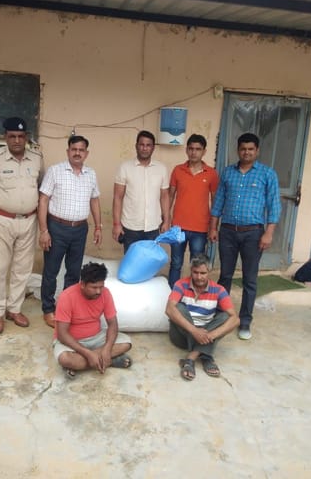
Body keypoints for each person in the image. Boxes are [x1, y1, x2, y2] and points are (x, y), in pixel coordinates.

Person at [0, 117, 43, 335]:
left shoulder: (37, 158)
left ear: (26, 137)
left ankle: (14, 309)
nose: (17, 140)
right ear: (5, 137)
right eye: (12, 136)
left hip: (29, 221)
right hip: (2, 221)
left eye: (21, 136)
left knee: (22, 269)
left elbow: (41, 190)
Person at [209, 132, 281, 340]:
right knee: (225, 276)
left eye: (250, 149)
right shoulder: (228, 172)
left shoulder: (267, 174)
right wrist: (213, 228)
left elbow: (274, 206)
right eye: (243, 149)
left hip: (253, 234)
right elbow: (218, 202)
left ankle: (245, 321)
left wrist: (268, 233)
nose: (246, 152)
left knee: (249, 279)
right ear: (238, 150)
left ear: (257, 151)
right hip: (228, 232)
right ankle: (221, 317)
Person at [38, 135, 102, 328]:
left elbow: (94, 200)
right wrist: (44, 230)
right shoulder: (55, 171)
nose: (77, 153)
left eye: (81, 150)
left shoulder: (91, 174)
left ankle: (66, 309)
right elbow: (43, 200)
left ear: (86, 153)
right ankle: (48, 309)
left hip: (80, 229)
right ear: (68, 151)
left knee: (73, 272)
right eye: (74, 149)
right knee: (51, 271)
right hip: (56, 228)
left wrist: (98, 226)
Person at [166, 254, 239, 381]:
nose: (199, 277)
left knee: (227, 316)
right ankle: (206, 356)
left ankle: (191, 358)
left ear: (209, 272)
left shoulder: (219, 290)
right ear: (191, 271)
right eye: (195, 272)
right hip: (181, 336)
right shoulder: (181, 284)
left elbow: (235, 319)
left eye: (203, 273)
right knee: (177, 307)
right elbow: (169, 309)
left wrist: (210, 335)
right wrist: (194, 331)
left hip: (206, 334)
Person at [53, 262, 132, 379]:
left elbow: (113, 324)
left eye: (101, 287)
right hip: (71, 341)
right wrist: (88, 353)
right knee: (65, 358)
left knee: (126, 343)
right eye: (94, 288)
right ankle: (109, 361)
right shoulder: (67, 296)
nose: (98, 291)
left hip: (96, 337)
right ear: (82, 284)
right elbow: (62, 334)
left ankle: (80, 365)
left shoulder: (105, 293)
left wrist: (107, 348)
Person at [168, 134, 219, 288]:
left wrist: (213, 227)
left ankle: (193, 293)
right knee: (176, 263)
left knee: (197, 266)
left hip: (200, 228)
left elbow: (215, 202)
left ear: (204, 151)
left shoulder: (211, 173)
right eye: (191, 149)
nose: (194, 152)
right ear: (186, 150)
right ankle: (172, 294)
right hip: (178, 227)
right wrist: (165, 219)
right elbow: (170, 196)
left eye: (198, 149)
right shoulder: (178, 170)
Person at [112, 130, 170, 253]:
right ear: (136, 146)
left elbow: (164, 196)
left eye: (148, 145)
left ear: (153, 148)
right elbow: (118, 197)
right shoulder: (125, 167)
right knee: (132, 262)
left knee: (150, 261)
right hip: (130, 227)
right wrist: (117, 224)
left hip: (153, 227)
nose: (144, 148)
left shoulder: (161, 169)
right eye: (142, 144)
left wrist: (166, 221)